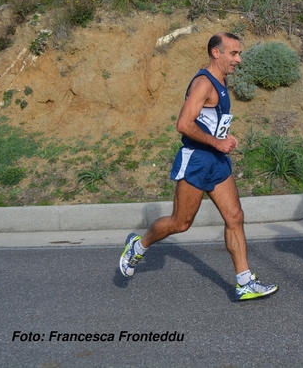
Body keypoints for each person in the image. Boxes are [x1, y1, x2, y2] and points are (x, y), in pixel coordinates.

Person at [118, 32, 278, 302]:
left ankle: (244, 282)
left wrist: (224, 138)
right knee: (181, 223)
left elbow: (209, 119)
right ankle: (138, 245)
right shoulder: (204, 83)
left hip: (216, 160)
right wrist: (217, 142)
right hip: (197, 160)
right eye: (234, 53)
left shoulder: (222, 79)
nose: (239, 59)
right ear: (216, 53)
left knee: (235, 217)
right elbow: (183, 124)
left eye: (239, 53)